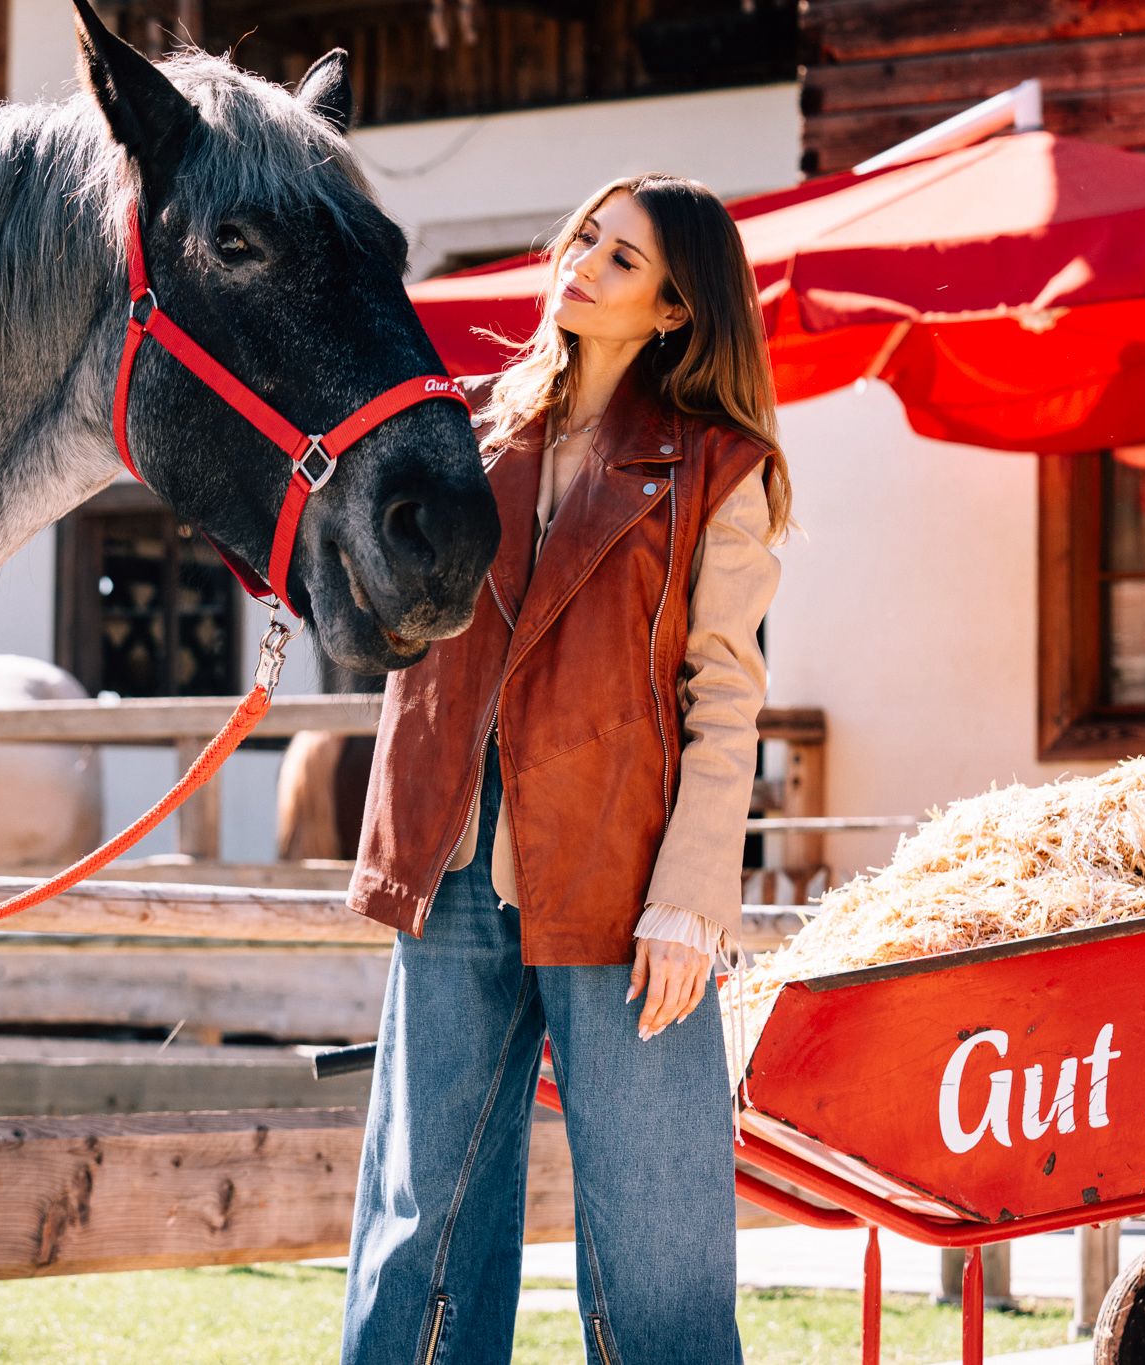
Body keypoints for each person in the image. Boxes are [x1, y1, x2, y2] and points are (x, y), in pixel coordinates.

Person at [338, 172, 795, 1365]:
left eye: (624, 259)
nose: (583, 261)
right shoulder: (465, 432)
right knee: (415, 1233)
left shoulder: (718, 468)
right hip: (451, 861)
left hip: (623, 881)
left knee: (657, 1251)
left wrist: (692, 900)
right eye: (587, 237)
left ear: (674, 313)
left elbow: (725, 698)